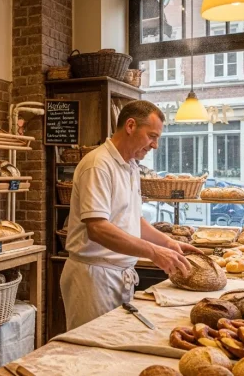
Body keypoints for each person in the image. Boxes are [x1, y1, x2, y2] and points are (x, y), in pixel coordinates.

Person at [60, 100, 202, 331]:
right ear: (130, 125)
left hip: (119, 274)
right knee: (92, 347)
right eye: (152, 136)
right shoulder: (98, 165)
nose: (155, 145)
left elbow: (133, 219)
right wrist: (153, 252)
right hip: (94, 278)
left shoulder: (131, 166)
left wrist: (168, 243)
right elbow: (97, 228)